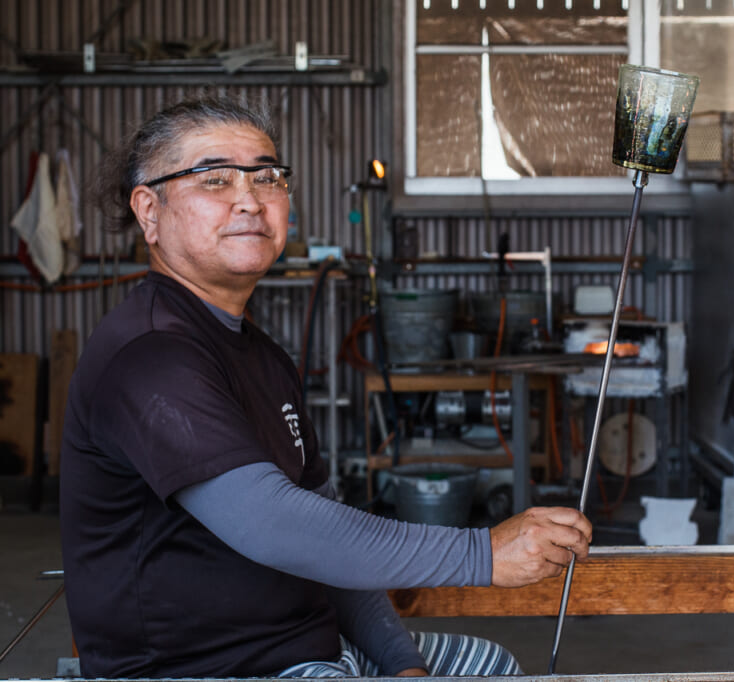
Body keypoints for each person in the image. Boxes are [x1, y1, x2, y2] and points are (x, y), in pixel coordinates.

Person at [59, 95, 592, 679]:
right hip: (203, 669)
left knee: (490, 665)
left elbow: (324, 536)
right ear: (149, 211)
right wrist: (481, 554)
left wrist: (402, 665)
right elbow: (274, 522)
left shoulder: (260, 355)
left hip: (307, 647)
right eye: (213, 180)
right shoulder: (151, 356)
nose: (249, 200)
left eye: (267, 177)